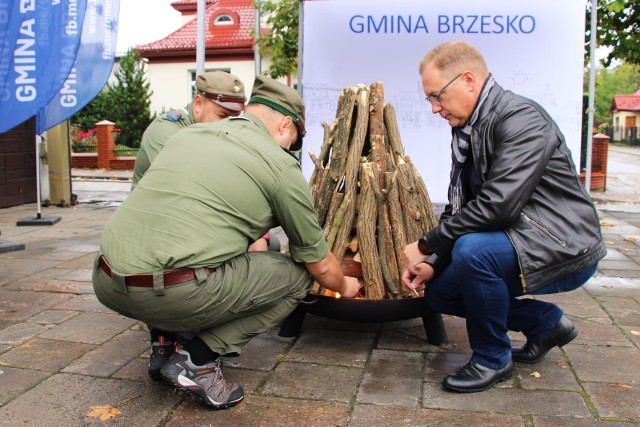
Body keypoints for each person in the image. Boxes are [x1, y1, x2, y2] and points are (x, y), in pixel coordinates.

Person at [92, 75, 360, 409]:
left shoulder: (187, 135)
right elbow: (318, 263)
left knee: (175, 246)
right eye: (292, 141)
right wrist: (345, 286)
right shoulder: (280, 166)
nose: (290, 151)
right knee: (298, 277)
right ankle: (197, 362)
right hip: (167, 295)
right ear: (285, 125)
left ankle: (163, 343)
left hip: (105, 280)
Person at [402, 41, 606, 393]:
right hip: (516, 238)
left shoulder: (521, 119)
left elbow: (498, 206)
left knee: (473, 253)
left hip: (563, 243)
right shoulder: (468, 129)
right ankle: (546, 324)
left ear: (468, 80)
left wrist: (426, 244)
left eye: (437, 96)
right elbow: (462, 205)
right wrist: (434, 261)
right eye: (429, 99)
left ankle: (492, 359)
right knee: (440, 294)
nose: (435, 108)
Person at [131, 70, 246, 189]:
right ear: (198, 103)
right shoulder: (166, 129)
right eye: (222, 115)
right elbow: (181, 180)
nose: (228, 124)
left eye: (234, 117)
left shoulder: (216, 132)